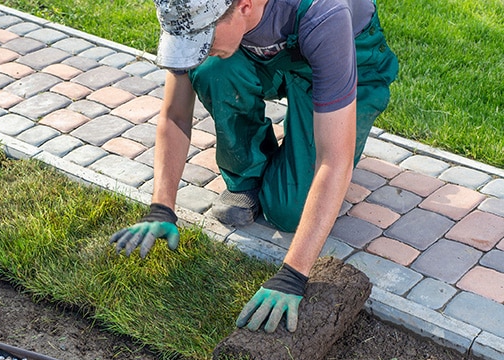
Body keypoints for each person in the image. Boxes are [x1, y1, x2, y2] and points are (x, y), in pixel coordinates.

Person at [110, 0, 398, 333]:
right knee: (211, 68)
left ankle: (301, 140)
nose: (196, 48)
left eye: (204, 38)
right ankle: (248, 177)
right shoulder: (189, 9)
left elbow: (334, 160)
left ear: (245, 6)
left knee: (289, 212)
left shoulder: (325, 14)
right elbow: (175, 114)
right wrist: (161, 207)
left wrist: (293, 274)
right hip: (263, 50)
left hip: (347, 53)